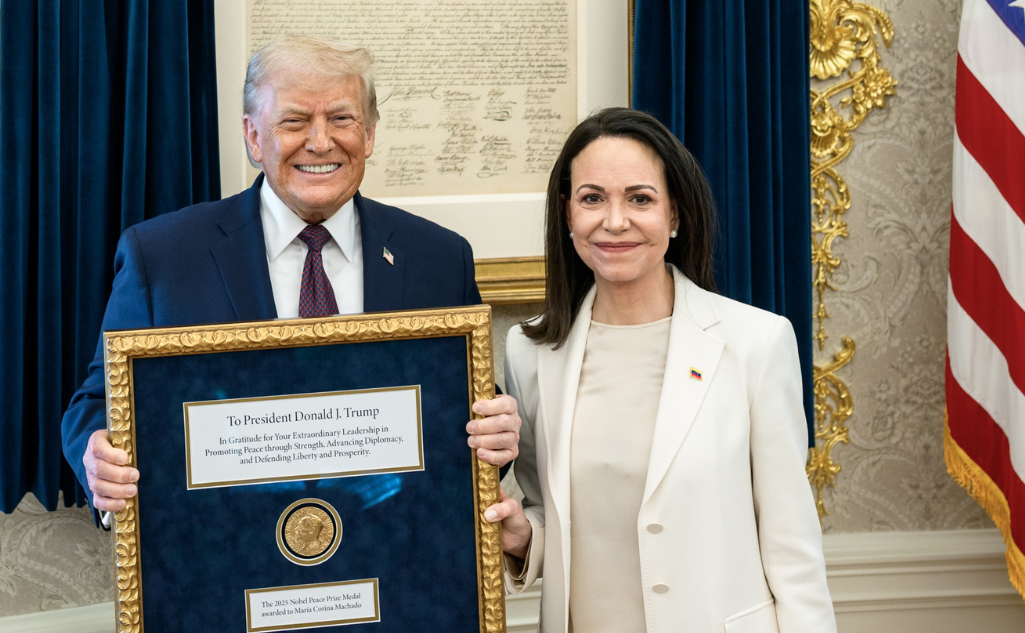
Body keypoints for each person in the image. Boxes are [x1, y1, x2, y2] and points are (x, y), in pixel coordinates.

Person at [60, 35, 520, 521]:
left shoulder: (439, 258)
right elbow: (98, 402)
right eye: (295, 121)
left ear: (369, 134)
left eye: (341, 119)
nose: (320, 142)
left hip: (394, 551)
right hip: (223, 554)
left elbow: (467, 409)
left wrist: (498, 434)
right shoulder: (163, 257)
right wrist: (97, 456)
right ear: (254, 137)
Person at [483, 108, 836, 632]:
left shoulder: (756, 344)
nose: (615, 220)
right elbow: (548, 517)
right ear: (567, 215)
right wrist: (519, 537)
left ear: (675, 216)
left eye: (640, 198)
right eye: (592, 198)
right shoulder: (530, 351)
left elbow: (792, 546)